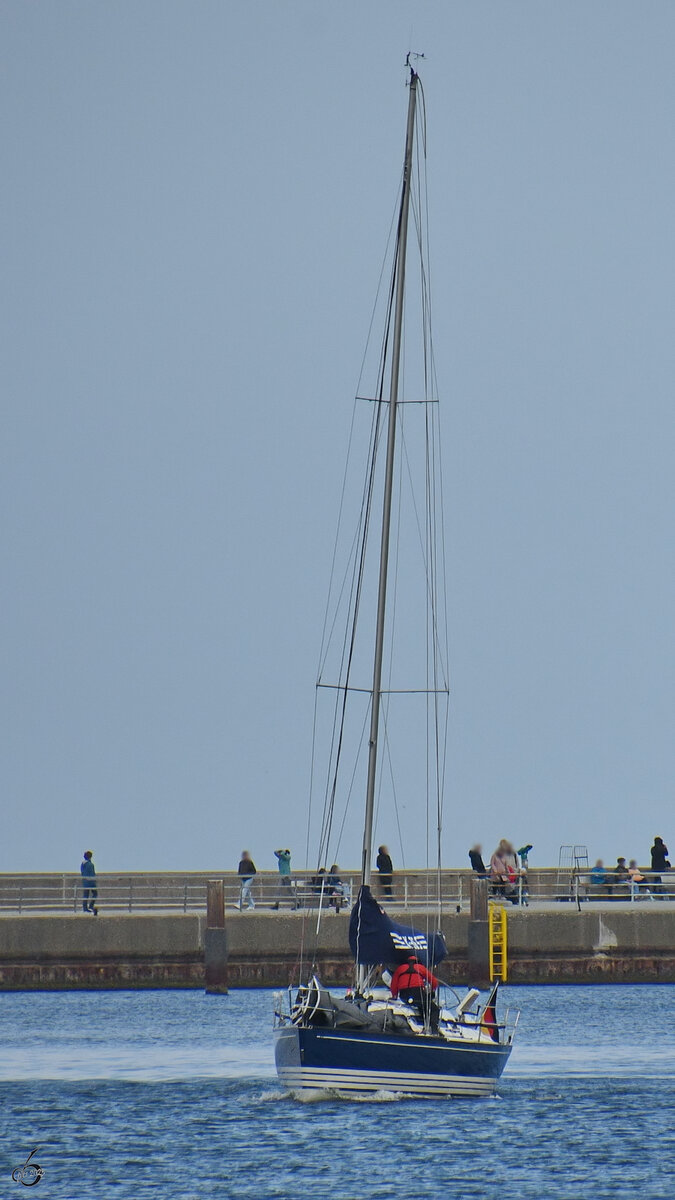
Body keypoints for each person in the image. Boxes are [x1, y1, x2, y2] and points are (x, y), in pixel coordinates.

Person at [390, 954, 440, 1033]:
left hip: (404, 995)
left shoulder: (400, 969)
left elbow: (393, 985)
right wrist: (432, 991)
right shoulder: (420, 968)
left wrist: (394, 995)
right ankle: (434, 1030)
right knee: (433, 1009)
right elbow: (434, 982)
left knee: (421, 1005)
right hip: (417, 993)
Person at [80, 851, 98, 915]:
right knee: (95, 894)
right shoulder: (90, 865)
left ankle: (85, 908)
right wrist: (94, 881)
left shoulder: (83, 864)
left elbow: (82, 873)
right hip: (91, 882)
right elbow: (92, 874)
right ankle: (90, 906)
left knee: (86, 895)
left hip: (85, 882)